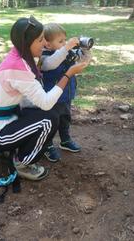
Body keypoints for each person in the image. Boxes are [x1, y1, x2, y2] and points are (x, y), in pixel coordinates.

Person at [0, 16, 89, 181]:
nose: (45, 43)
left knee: (45, 111)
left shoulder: (18, 55)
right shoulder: (19, 69)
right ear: (27, 42)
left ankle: (19, 148)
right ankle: (23, 163)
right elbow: (45, 103)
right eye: (40, 40)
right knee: (49, 118)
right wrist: (68, 74)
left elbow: (47, 68)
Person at [37, 23, 91, 162]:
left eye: (65, 40)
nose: (64, 43)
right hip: (51, 98)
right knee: (50, 123)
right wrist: (67, 47)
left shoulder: (66, 52)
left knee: (65, 119)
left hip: (66, 95)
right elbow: (52, 64)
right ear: (47, 45)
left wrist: (85, 50)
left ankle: (65, 140)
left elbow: (81, 59)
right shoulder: (43, 58)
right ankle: (47, 145)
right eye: (60, 41)